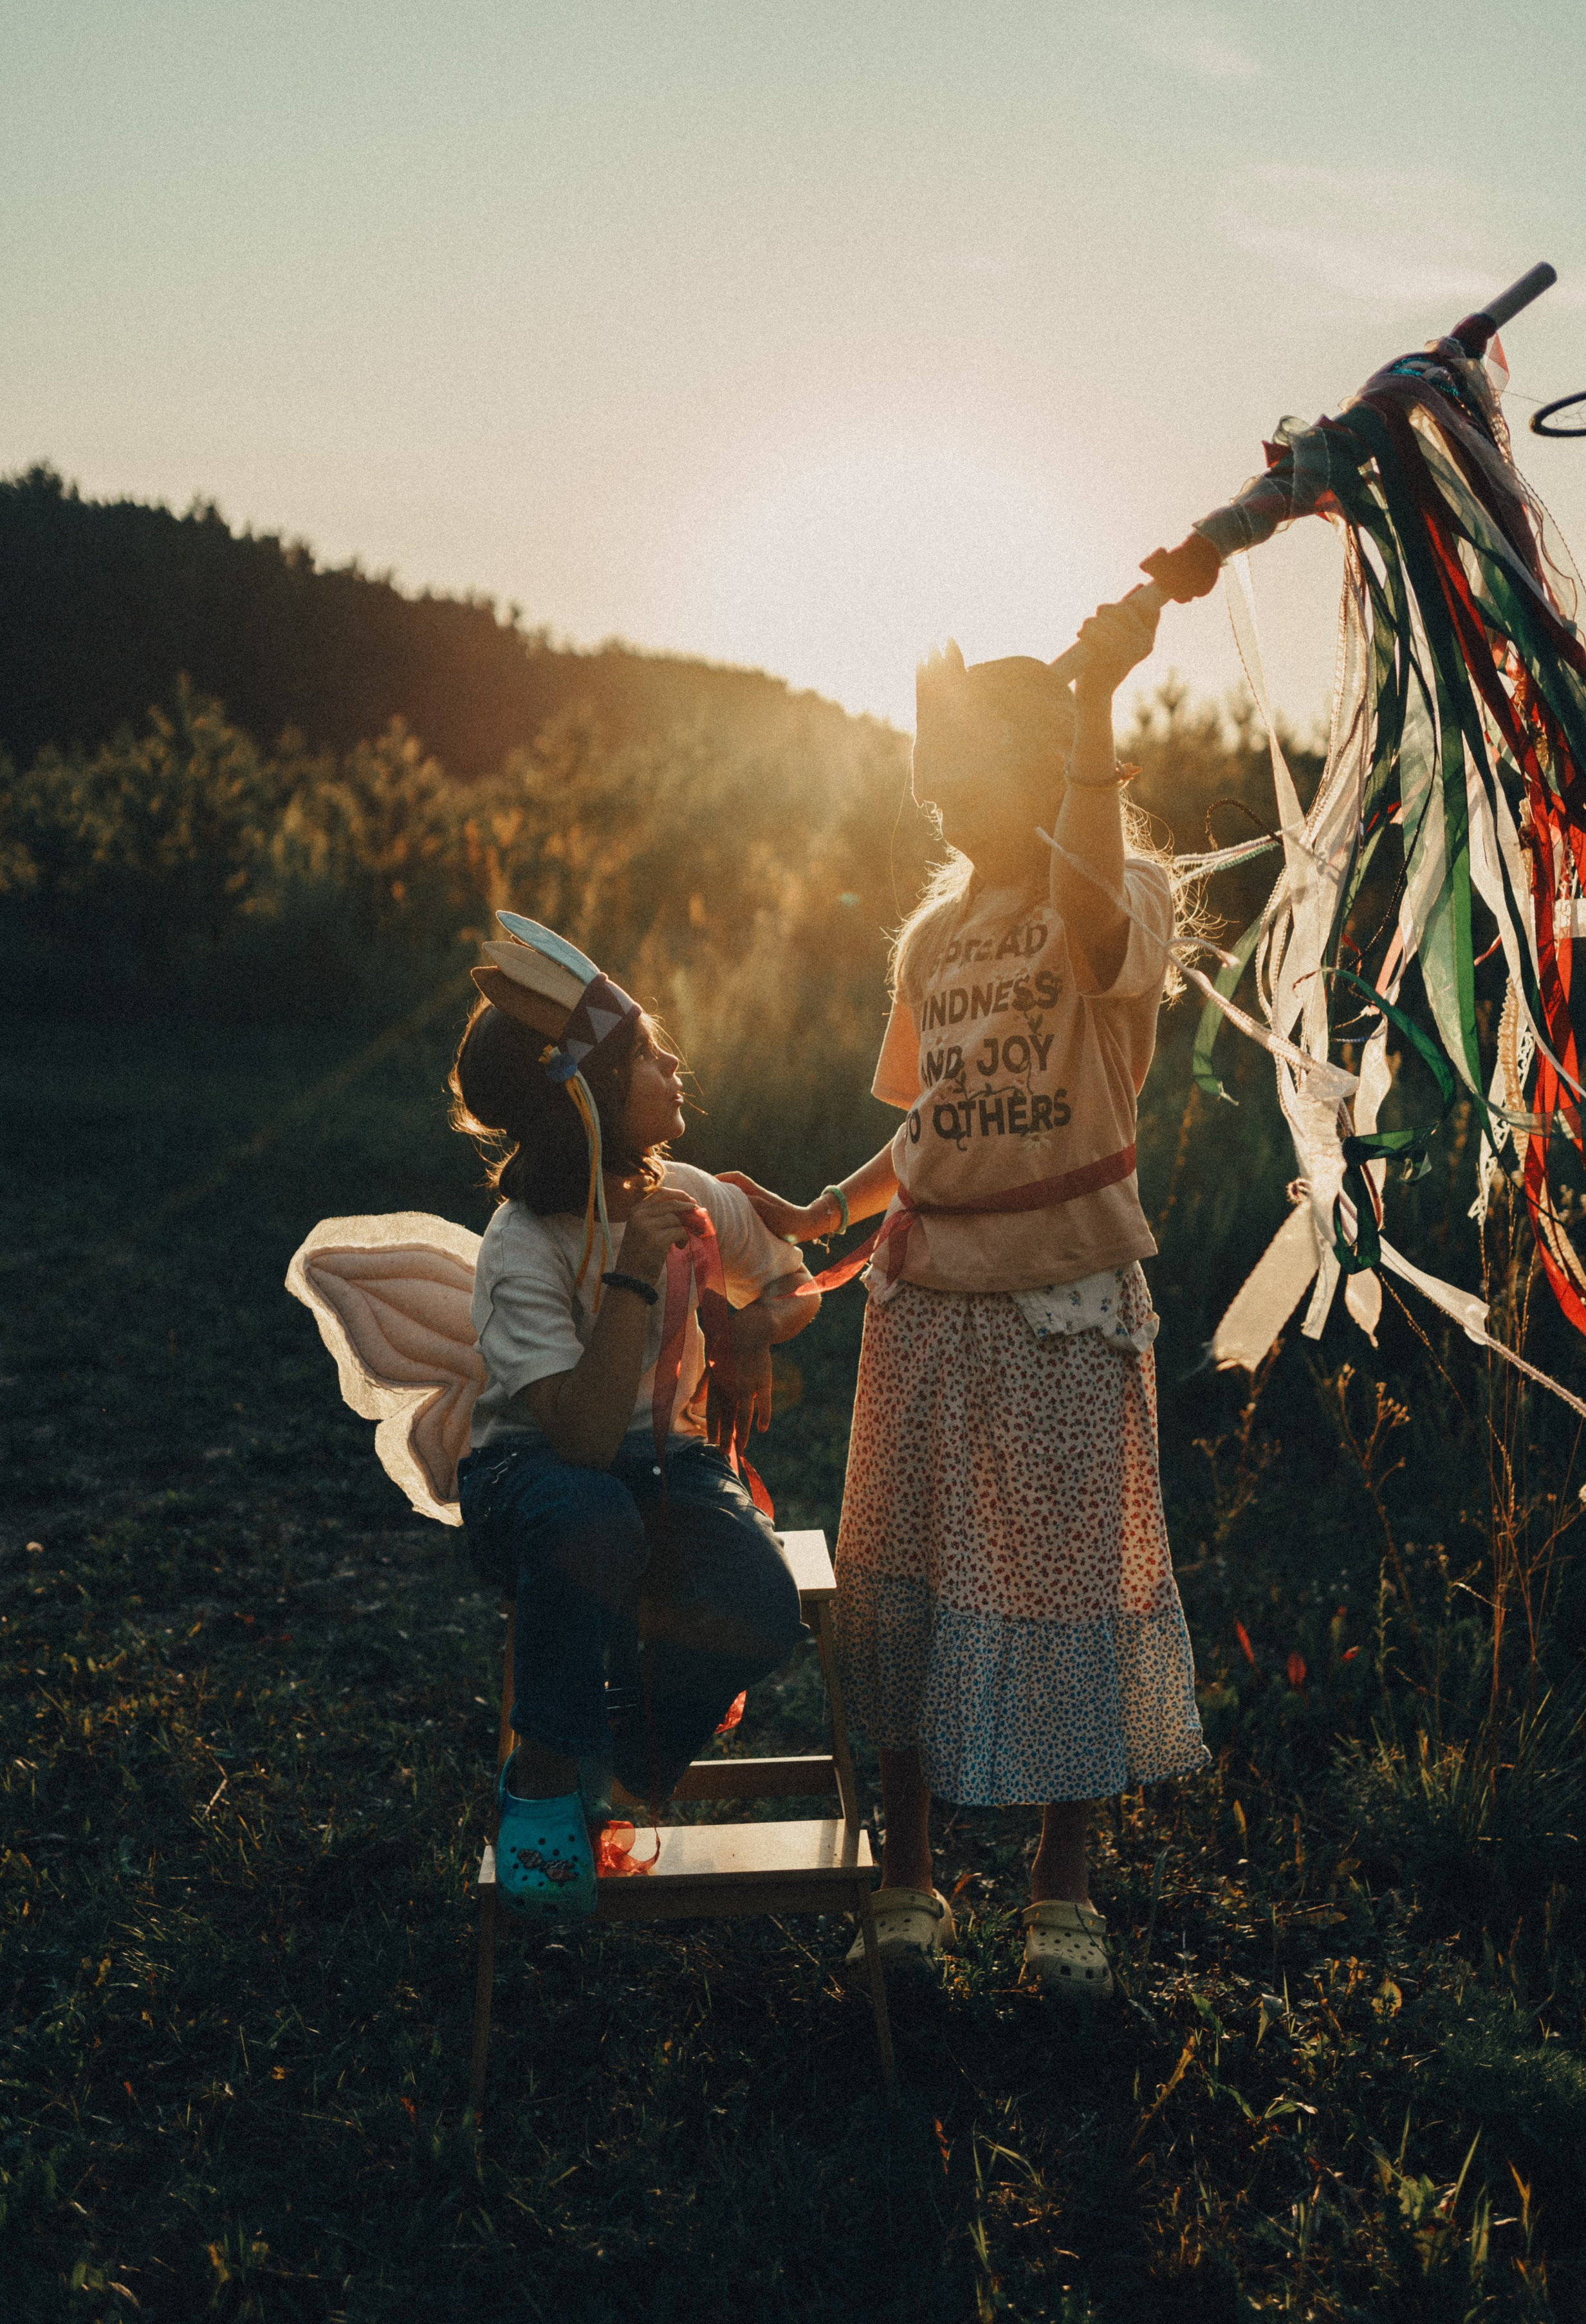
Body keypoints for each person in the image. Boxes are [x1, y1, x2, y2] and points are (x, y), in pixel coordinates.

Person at [724, 592, 1209, 2004]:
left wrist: (1097, 714)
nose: (938, 799)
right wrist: (829, 1212)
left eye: (967, 768)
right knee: (909, 1589)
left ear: (1043, 764)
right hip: (923, 1297)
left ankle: (1060, 1890)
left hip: (1061, 1302)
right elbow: (935, 1122)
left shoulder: (1113, 901)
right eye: (931, 772)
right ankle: (909, 1876)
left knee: (1065, 1591)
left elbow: (1087, 900)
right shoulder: (937, 936)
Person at [450, 913, 818, 1922]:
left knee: (758, 1600)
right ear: (594, 1097)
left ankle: (617, 1773)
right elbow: (576, 1437)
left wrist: (748, 1328)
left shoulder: (689, 1193)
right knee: (591, 1516)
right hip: (530, 1480)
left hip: (666, 1466)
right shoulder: (522, 1245)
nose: (674, 1064)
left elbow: (797, 1285)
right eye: (650, 1055)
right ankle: (541, 1776)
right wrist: (631, 1272)